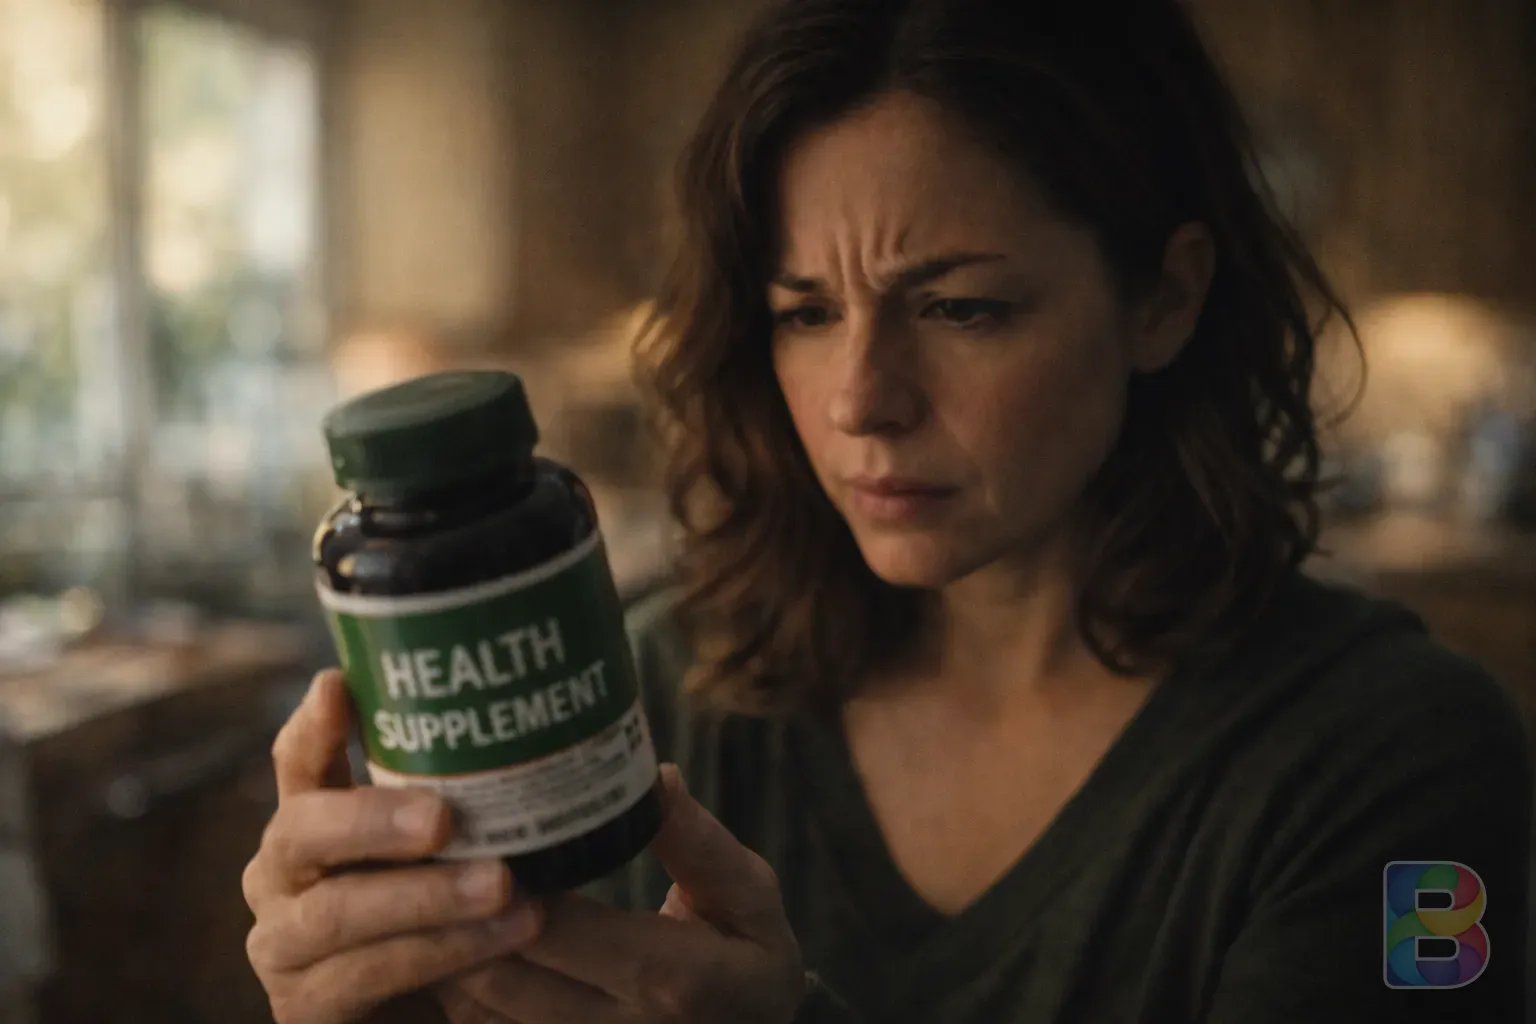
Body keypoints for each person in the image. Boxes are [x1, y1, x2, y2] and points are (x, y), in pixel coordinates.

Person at [242, 0, 1533, 1020]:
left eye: (962, 307)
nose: (862, 399)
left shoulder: (1403, 760)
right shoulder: (658, 695)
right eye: (805, 313)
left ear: (1163, 298)